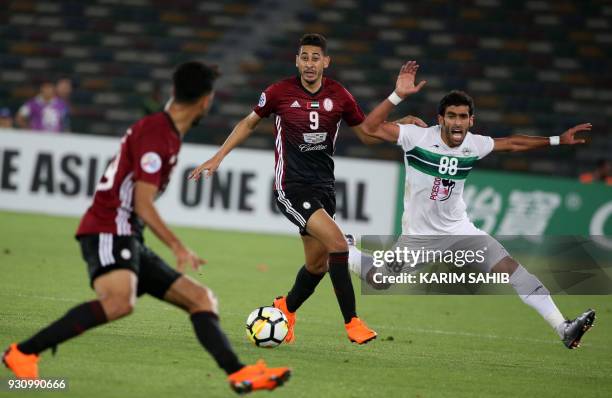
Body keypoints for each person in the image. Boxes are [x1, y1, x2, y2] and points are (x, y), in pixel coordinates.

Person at [2, 62, 291, 394]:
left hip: (126, 232)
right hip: (109, 227)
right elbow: (142, 202)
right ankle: (23, 353)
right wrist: (178, 246)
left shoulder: (164, 131)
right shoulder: (159, 135)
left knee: (200, 299)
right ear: (206, 101)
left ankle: (240, 373)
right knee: (119, 302)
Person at [190, 34, 424, 345]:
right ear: (297, 61)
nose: (310, 63)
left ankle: (284, 309)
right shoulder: (279, 93)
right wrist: (218, 157)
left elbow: (367, 135)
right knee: (339, 245)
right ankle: (352, 322)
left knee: (318, 264)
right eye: (305, 57)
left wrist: (399, 126)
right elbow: (248, 124)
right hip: (292, 188)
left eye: (316, 57)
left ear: (326, 62)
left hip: (324, 189)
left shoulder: (339, 95)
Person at [347, 61, 596, 349]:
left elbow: (513, 143)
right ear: (440, 119)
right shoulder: (416, 138)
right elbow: (369, 128)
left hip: (461, 231)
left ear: (471, 121)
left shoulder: (474, 145)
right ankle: (347, 250)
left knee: (511, 269)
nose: (457, 122)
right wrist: (397, 96)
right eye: (451, 116)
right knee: (380, 280)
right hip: (420, 238)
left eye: (463, 117)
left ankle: (563, 327)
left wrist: (557, 140)